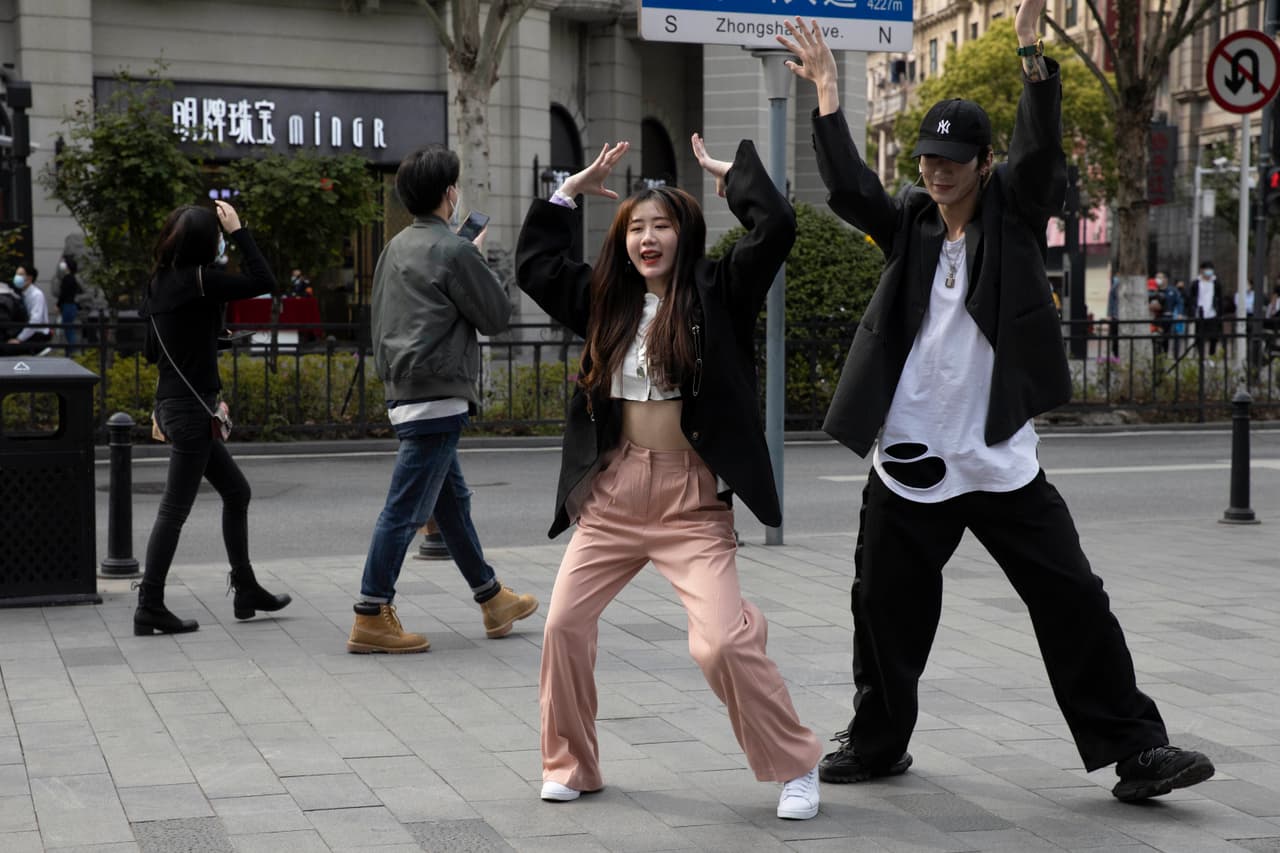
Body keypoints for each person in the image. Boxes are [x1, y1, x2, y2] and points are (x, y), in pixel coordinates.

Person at [779, 4, 1215, 804]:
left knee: (1074, 597)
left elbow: (1043, 154)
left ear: (983, 163)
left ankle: (1139, 750)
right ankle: (877, 742)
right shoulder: (910, 221)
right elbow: (848, 187)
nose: (936, 171)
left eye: (953, 160)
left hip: (1000, 459)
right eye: (927, 159)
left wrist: (1032, 58)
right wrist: (830, 96)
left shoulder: (1013, 213)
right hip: (911, 457)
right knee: (881, 606)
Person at [515, 134, 824, 819]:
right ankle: (571, 762)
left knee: (716, 644)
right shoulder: (605, 298)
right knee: (563, 625)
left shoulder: (720, 289)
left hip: (690, 499)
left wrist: (733, 177)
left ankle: (796, 763)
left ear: (684, 233)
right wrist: (567, 191)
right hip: (614, 495)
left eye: (661, 226)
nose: (647, 238)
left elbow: (777, 228)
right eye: (636, 228)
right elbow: (534, 264)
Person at [348, 144, 538, 654]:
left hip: (406, 389)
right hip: (438, 395)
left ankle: (492, 598)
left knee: (451, 504)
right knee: (406, 510)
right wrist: (473, 254)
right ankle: (370, 611)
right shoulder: (454, 250)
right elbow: (497, 317)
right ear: (449, 194)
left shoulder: (394, 247)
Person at [136, 201, 292, 635]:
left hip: (175, 403)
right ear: (207, 242)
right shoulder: (202, 279)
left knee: (236, 491)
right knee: (173, 510)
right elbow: (265, 281)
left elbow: (153, 350)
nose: (223, 241)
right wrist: (241, 230)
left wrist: (209, 338)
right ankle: (149, 603)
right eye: (219, 235)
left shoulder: (158, 282)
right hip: (190, 409)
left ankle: (246, 588)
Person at [2, 265, 51, 355]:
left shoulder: (36, 295)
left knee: (7, 349)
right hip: (27, 332)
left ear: (29, 278)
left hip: (37, 334)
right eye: (16, 274)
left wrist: (19, 339)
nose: (17, 277)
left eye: (20, 274)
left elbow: (35, 321)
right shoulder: (19, 294)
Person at [1187, 261, 1223, 358]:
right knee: (1200, 336)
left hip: (1212, 313)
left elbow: (1220, 298)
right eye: (1206, 269)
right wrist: (1191, 313)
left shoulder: (1216, 283)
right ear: (1202, 270)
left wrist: (1219, 312)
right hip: (1200, 314)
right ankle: (1201, 357)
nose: (1209, 272)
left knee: (1214, 336)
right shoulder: (1196, 283)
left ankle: (1212, 355)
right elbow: (1191, 299)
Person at [57, 254, 82, 352]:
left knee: (68, 329)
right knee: (69, 328)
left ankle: (72, 351)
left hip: (67, 306)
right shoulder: (73, 278)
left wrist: (58, 304)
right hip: (72, 305)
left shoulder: (67, 278)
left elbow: (63, 294)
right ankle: (71, 350)